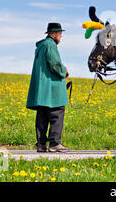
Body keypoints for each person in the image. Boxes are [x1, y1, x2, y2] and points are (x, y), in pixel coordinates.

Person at [26, 23, 70, 152]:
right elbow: (54, 63)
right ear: (53, 34)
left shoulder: (41, 46)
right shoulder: (50, 45)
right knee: (57, 112)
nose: (61, 35)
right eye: (60, 33)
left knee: (42, 116)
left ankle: (41, 144)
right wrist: (64, 71)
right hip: (51, 87)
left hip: (41, 89)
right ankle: (54, 143)